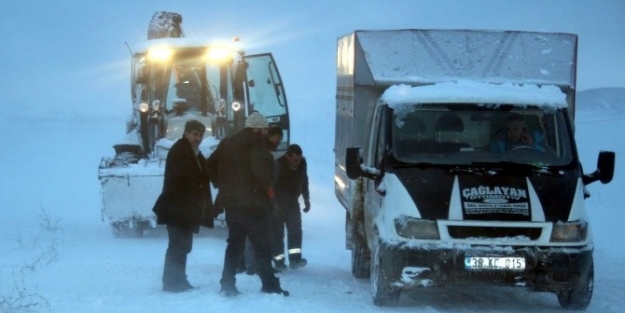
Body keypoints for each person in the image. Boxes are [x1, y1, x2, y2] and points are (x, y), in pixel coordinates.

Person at [207, 112, 289, 297]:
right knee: (262, 245)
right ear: (258, 129)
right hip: (253, 205)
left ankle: (227, 283)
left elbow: (210, 164)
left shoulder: (227, 142)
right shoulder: (257, 144)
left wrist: (222, 184)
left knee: (234, 243)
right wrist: (264, 183)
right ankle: (269, 285)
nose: (266, 133)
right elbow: (263, 175)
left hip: (231, 204)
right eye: (265, 130)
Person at [152, 120, 213, 293]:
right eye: (194, 134)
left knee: (183, 246)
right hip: (177, 209)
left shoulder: (191, 151)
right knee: (178, 246)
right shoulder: (181, 151)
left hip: (183, 209)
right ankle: (171, 282)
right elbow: (187, 180)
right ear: (186, 133)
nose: (198, 138)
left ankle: (179, 279)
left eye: (200, 135)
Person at [239, 125, 284, 275]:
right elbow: (266, 181)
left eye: (279, 138)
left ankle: (255, 263)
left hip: (255, 197)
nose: (277, 140)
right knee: (254, 233)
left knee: (258, 232)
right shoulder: (262, 153)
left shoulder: (263, 152)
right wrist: (273, 201)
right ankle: (252, 265)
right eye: (274, 137)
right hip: (256, 198)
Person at [271, 144, 310, 271]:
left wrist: (306, 198)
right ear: (288, 156)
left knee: (295, 231)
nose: (297, 163)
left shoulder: (302, 164)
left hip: (292, 203)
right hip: (278, 204)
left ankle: (295, 259)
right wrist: (274, 204)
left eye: (299, 160)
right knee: (277, 234)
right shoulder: (278, 165)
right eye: (294, 160)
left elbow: (304, 180)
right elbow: (270, 187)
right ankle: (279, 261)